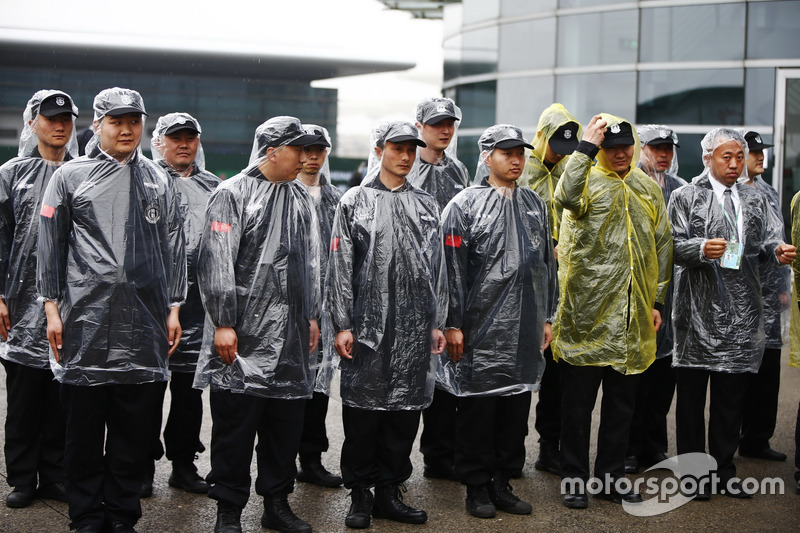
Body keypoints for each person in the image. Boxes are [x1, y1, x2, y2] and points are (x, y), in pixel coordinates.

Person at [37, 87, 186, 533]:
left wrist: (174, 308)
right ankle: (85, 516)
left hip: (143, 326)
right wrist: (50, 308)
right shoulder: (69, 177)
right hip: (83, 323)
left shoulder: (159, 180)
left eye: (134, 121)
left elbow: (173, 248)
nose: (127, 130)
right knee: (82, 432)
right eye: (117, 121)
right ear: (98, 124)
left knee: (132, 432)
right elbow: (50, 246)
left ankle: (122, 515)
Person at [193, 116, 323, 533]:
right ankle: (228, 508)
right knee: (235, 425)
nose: (306, 157)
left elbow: (313, 263)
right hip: (243, 335)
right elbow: (216, 261)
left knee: (285, 424)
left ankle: (277, 503)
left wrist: (314, 315)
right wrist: (224, 321)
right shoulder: (231, 194)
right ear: (271, 150)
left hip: (290, 335)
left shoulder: (301, 198)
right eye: (297, 149)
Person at [319, 121, 446, 529]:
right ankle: (360, 493)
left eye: (411, 149)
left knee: (403, 414)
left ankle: (390, 492)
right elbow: (339, 268)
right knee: (363, 413)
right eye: (397, 148)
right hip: (367, 328)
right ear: (379, 149)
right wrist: (342, 323)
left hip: (412, 328)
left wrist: (437, 321)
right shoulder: (353, 201)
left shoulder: (427, 204)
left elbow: (437, 270)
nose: (406, 156)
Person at [552, 114, 672, 509]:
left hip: (631, 318)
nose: (620, 153)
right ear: (600, 150)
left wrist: (656, 302)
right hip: (586, 316)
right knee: (578, 406)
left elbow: (662, 245)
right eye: (611, 148)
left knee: (622, 406)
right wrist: (585, 147)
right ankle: (573, 477)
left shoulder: (646, 188)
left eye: (625, 146)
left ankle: (610, 476)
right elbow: (564, 198)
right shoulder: (585, 178)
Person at [669, 128, 795, 500]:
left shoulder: (754, 200)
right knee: (692, 399)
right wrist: (699, 248)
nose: (735, 164)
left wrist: (778, 251)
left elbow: (765, 242)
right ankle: (693, 474)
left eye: (739, 157)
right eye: (727, 157)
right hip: (696, 310)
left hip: (741, 313)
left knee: (730, 398)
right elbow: (672, 247)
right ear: (708, 157)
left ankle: (723, 470)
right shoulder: (685, 196)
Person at [439, 124, 557, 519]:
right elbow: (451, 271)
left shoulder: (534, 204)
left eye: (520, 153)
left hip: (524, 325)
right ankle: (476, 486)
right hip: (479, 328)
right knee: (478, 409)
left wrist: (547, 316)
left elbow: (547, 267)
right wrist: (453, 322)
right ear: (487, 156)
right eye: (507, 153)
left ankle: (503, 481)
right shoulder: (463, 206)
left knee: (514, 407)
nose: (516, 160)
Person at [0, 90, 78, 509]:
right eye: (50, 118)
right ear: (33, 123)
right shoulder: (11, 174)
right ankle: (22, 478)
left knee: (60, 399)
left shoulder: (84, 174)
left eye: (66, 118)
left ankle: (54, 475)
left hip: (69, 306)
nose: (60, 125)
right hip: (19, 305)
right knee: (25, 399)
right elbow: (0, 236)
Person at [140, 113, 222, 497]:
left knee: (189, 394)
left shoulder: (214, 187)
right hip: (149, 302)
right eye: (175, 138)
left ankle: (183, 463)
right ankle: (138, 464)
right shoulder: (142, 180)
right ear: (159, 142)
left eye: (190, 137)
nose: (184, 144)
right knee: (145, 390)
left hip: (196, 304)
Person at [519, 103, 581, 477]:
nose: (559, 153)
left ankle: (548, 445)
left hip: (566, 285)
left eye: (565, 148)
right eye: (555, 145)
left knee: (558, 373)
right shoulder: (520, 169)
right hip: (527, 284)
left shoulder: (569, 173)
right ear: (540, 137)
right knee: (518, 368)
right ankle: (506, 448)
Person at [411, 97, 470, 481]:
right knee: (411, 369)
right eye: (436, 124)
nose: (444, 130)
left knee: (447, 369)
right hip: (413, 283)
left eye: (449, 123)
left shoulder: (459, 171)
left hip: (451, 277)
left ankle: (440, 454)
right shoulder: (405, 166)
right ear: (420, 127)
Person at [625, 125, 686, 474]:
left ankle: (654, 447)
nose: (663, 154)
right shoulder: (631, 184)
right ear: (642, 148)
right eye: (656, 147)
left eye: (668, 148)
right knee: (637, 379)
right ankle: (630, 450)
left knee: (665, 377)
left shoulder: (679, 188)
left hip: (676, 295)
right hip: (643, 292)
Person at [294, 124, 344, 488]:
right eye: (306, 149)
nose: (313, 156)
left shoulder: (336, 200)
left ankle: (311, 458)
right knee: (284, 392)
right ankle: (280, 461)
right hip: (287, 310)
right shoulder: (282, 193)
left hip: (325, 311)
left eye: (319, 150)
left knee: (318, 389)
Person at [738, 131, 790, 463]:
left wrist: (783, 288)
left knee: (769, 372)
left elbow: (778, 238)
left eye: (762, 151)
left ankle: (758, 438)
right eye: (753, 151)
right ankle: (732, 438)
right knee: (739, 374)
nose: (761, 156)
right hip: (741, 298)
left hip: (771, 299)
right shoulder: (729, 194)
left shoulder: (769, 192)